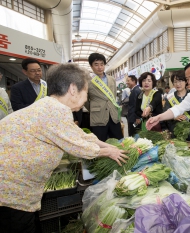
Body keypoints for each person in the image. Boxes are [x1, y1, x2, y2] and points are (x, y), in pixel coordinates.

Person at [0, 63, 127, 233]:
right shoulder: (56, 111)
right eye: (86, 92)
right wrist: (109, 151)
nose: (86, 98)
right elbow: (80, 148)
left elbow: (80, 135)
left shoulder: (51, 106)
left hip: (12, 189)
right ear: (73, 89)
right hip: (10, 190)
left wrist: (109, 145)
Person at [85, 53, 123, 141]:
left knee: (119, 141)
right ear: (91, 66)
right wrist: (94, 108)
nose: (100, 67)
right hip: (98, 117)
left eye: (102, 64)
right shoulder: (88, 82)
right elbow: (85, 100)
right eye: (96, 64)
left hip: (113, 116)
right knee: (100, 142)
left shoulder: (112, 79)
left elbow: (113, 96)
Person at [163, 70, 190, 136]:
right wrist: (174, 117)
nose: (178, 84)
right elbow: (165, 114)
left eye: (180, 81)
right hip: (175, 132)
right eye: (175, 82)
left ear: (186, 81)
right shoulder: (169, 98)